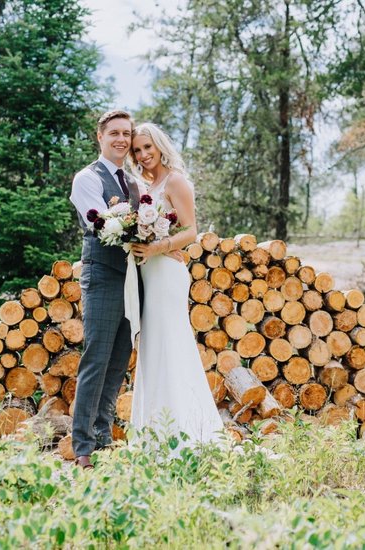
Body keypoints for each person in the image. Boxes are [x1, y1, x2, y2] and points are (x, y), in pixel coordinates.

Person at [129, 123, 225, 447]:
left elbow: (190, 231)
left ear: (158, 146)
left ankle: (188, 436)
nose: (143, 155)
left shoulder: (175, 181)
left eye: (147, 148)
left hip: (167, 273)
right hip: (148, 274)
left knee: (171, 345)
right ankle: (153, 436)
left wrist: (156, 247)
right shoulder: (145, 185)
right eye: (137, 151)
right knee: (153, 349)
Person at [69, 109, 142, 469]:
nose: (122, 140)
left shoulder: (131, 182)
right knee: (96, 359)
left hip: (130, 279)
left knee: (117, 362)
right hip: (101, 276)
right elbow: (102, 223)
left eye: (127, 134)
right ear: (100, 137)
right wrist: (138, 223)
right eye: (114, 133)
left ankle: (103, 436)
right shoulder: (87, 178)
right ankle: (82, 447)